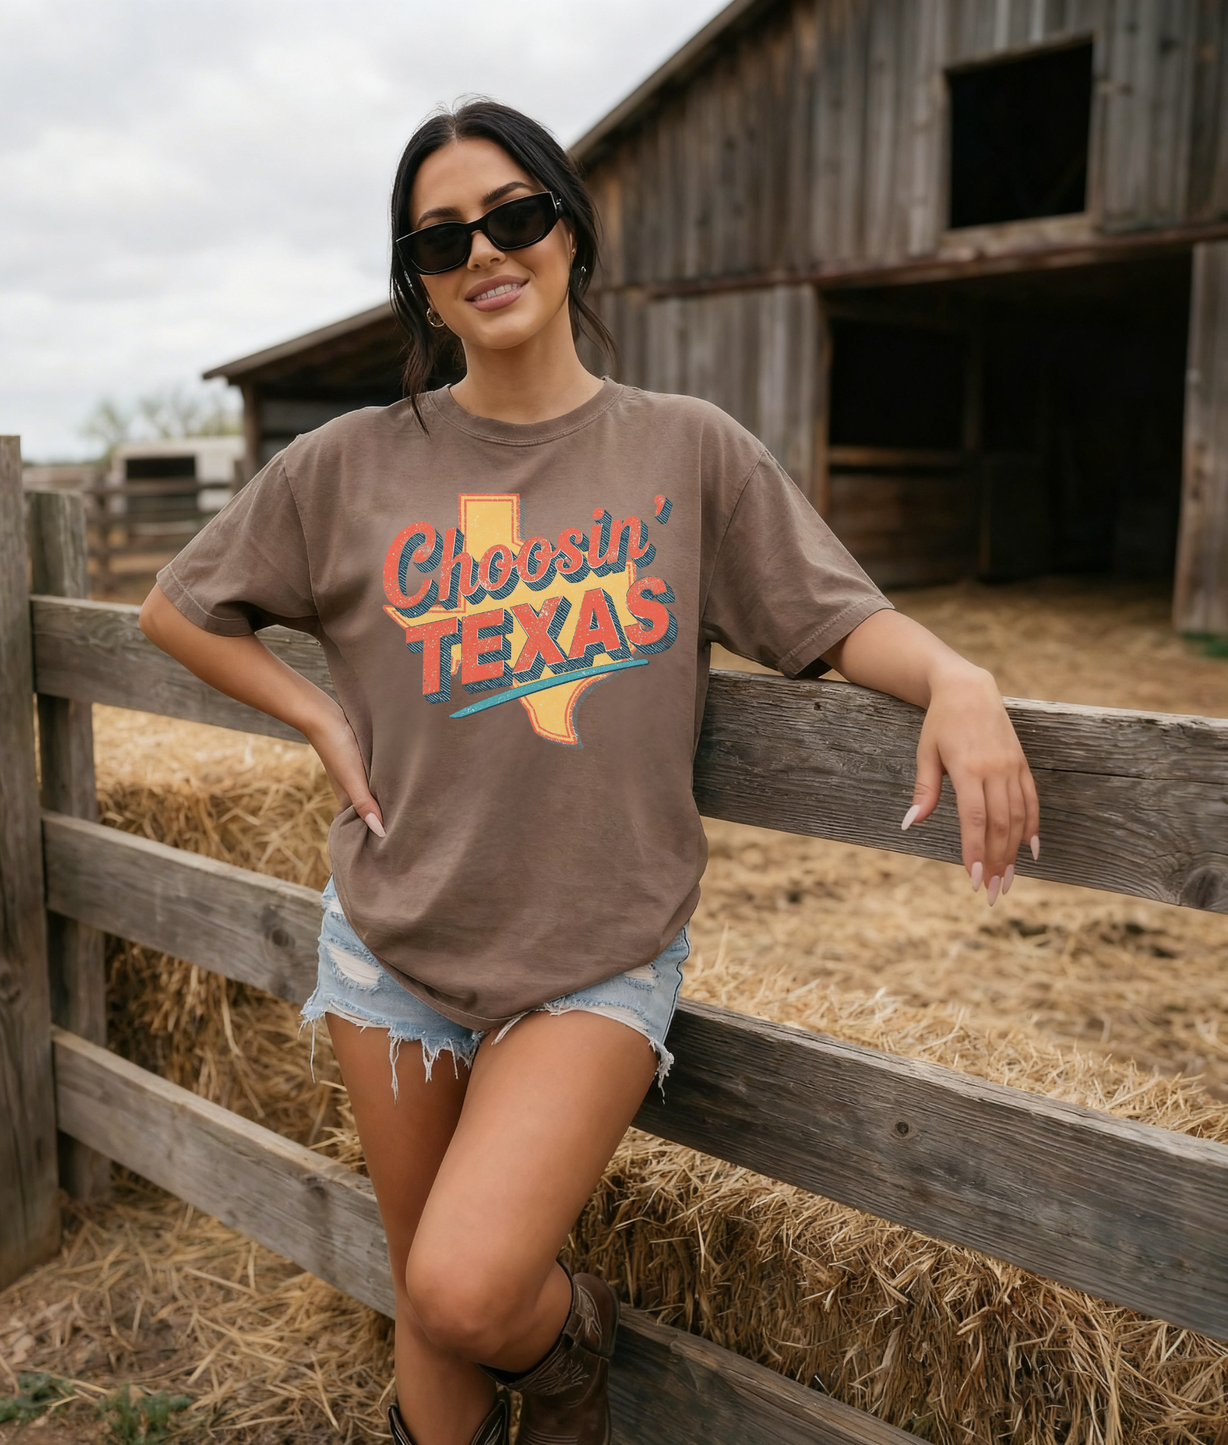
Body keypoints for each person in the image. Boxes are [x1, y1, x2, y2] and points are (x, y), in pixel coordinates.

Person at [138, 100, 1039, 1445]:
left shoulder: (687, 450)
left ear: (569, 228)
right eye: (444, 239)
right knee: (425, 1299)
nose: (485, 252)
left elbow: (835, 617)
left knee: (469, 1281)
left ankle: (569, 1354)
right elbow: (179, 609)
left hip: (596, 948)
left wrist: (956, 679)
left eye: (515, 215)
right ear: (418, 280)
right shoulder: (346, 465)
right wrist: (320, 719)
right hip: (391, 939)